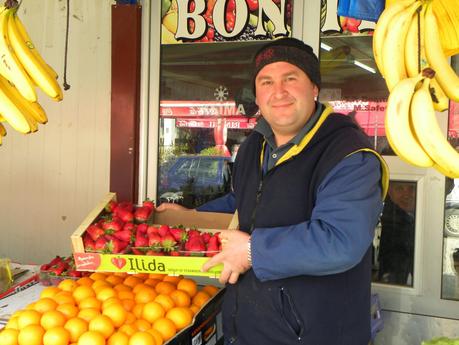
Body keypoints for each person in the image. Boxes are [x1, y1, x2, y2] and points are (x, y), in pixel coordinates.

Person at [157, 37, 388, 345]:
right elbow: (246, 201)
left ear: (314, 88)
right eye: (266, 82)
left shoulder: (347, 154)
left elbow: (340, 240)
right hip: (250, 329)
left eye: (290, 79)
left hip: (317, 335)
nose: (278, 92)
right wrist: (195, 216)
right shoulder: (256, 143)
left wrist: (253, 251)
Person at [377, 182, 416, 285]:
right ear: (389, 192)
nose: (406, 194)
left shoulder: (430, 209)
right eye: (399, 188)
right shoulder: (391, 215)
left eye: (412, 187)